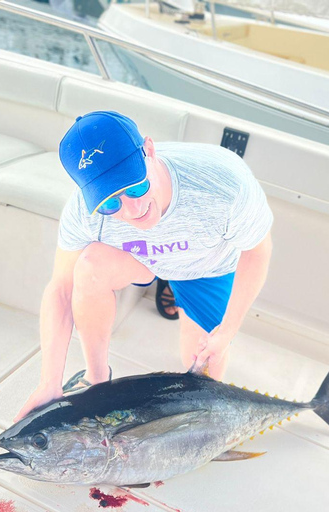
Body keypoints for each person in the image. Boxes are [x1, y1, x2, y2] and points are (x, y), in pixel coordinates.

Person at [14, 111, 273, 422]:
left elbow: (257, 252)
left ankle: (174, 287)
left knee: (203, 377)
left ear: (149, 149)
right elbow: (61, 288)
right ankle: (97, 382)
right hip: (141, 257)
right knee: (88, 266)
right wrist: (49, 383)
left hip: (207, 265)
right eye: (111, 202)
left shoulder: (224, 183)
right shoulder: (84, 213)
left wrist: (226, 331)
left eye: (136, 187)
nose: (133, 209)